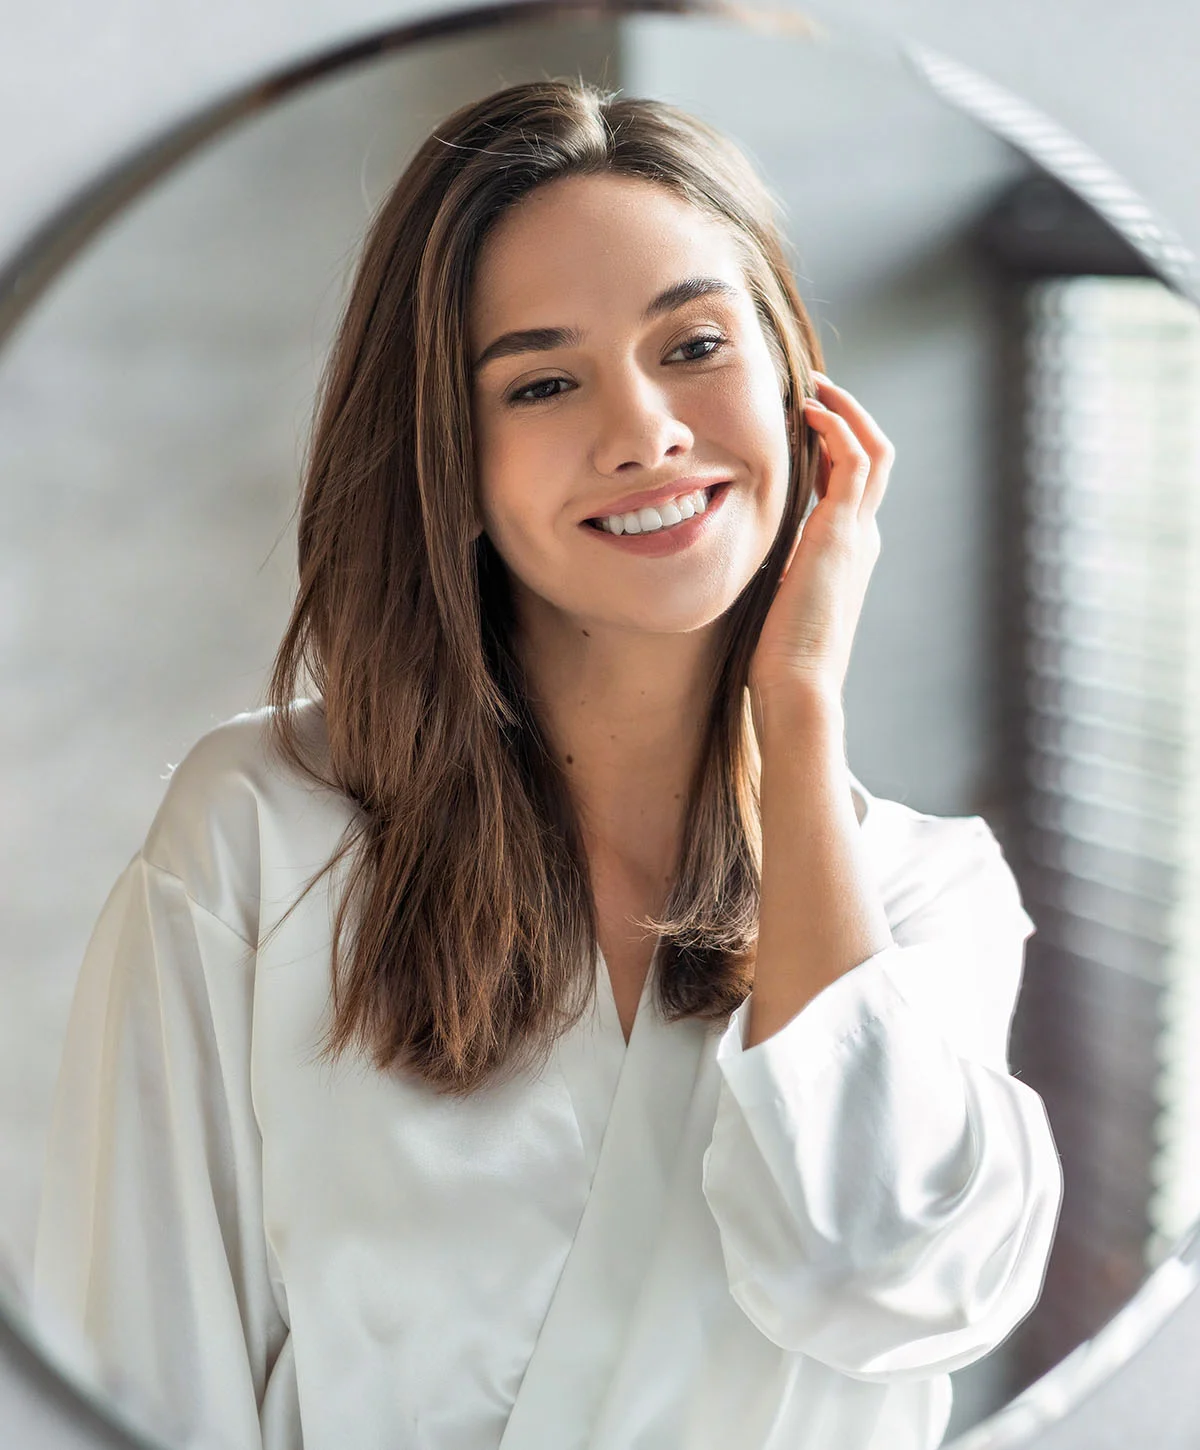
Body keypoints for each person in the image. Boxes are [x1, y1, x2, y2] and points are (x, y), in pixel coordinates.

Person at [32, 78, 1063, 1450]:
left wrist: (799, 712)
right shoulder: (262, 836)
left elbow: (872, 1271)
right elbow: (131, 1371)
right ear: (449, 461)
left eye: (693, 343)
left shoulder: (930, 898)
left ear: (799, 386)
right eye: (544, 380)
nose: (642, 429)